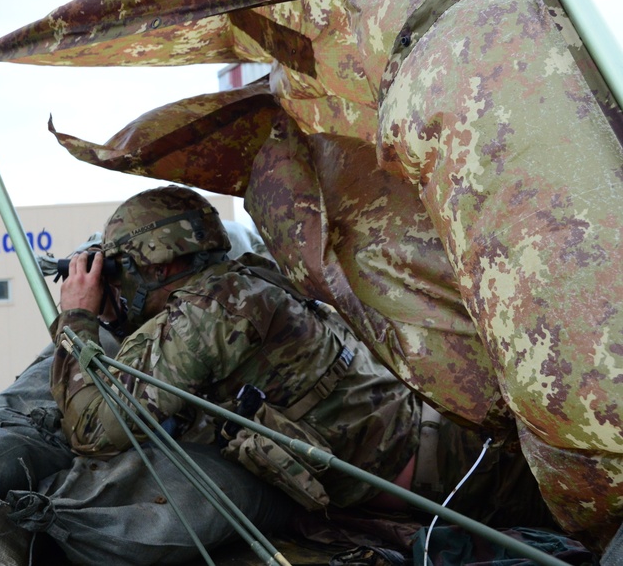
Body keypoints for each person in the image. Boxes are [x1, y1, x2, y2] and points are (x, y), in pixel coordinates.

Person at [50, 185, 421, 511]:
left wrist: (78, 316)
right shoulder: (246, 276)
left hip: (420, 474)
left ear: (160, 267)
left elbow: (95, 433)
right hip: (411, 442)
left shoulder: (206, 314)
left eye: (121, 268)